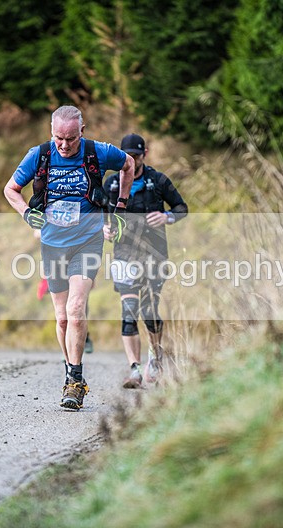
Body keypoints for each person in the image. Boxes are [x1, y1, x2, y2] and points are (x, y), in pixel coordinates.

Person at [4, 105, 135, 410]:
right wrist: (26, 213)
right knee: (62, 317)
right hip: (52, 245)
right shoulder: (39, 155)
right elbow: (11, 189)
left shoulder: (98, 152)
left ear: (82, 132)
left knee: (76, 308)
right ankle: (70, 371)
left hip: (87, 242)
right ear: (52, 133)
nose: (64, 145)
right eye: (58, 138)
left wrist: (121, 207)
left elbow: (128, 164)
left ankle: (75, 381)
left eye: (71, 139)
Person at [103, 133, 188, 388]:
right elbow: (99, 215)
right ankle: (135, 370)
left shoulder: (158, 180)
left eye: (137, 156)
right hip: (124, 254)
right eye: (128, 156)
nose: (133, 160)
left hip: (155, 255)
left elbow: (181, 208)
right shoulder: (111, 184)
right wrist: (103, 229)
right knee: (128, 313)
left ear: (145, 155)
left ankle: (155, 357)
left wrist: (166, 217)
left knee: (149, 311)